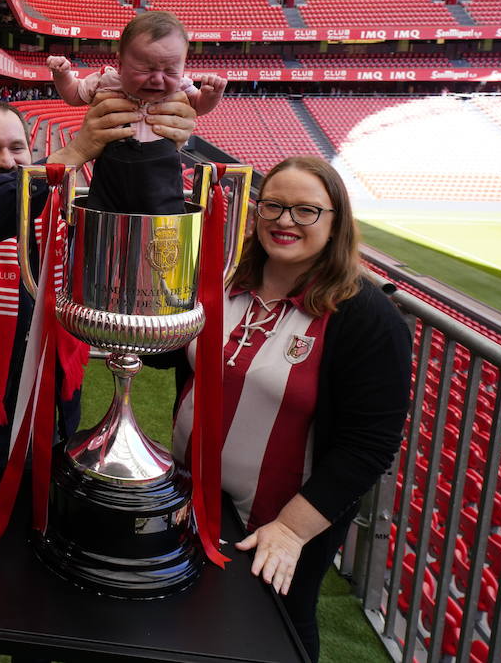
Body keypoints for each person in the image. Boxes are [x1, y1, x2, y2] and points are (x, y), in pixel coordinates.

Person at [0, 94, 200, 663]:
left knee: (28, 568)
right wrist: (67, 157)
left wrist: (161, 145)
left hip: (40, 430)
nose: (8, 160)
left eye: (18, 148)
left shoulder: (59, 222)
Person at [147, 156, 411, 662]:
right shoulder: (221, 281)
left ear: (336, 222)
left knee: (273, 631)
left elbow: (368, 446)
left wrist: (290, 530)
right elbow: (168, 353)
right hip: (191, 494)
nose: (284, 221)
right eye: (273, 205)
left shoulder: (367, 319)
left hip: (279, 522)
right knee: (189, 620)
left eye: (306, 211)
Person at [47, 10, 228, 215]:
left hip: (161, 171)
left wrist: (212, 95)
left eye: (170, 71)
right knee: (102, 214)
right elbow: (74, 95)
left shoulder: (182, 87)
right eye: (145, 69)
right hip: (112, 169)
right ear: (120, 65)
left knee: (165, 220)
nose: (158, 79)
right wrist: (62, 75)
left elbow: (199, 106)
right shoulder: (106, 80)